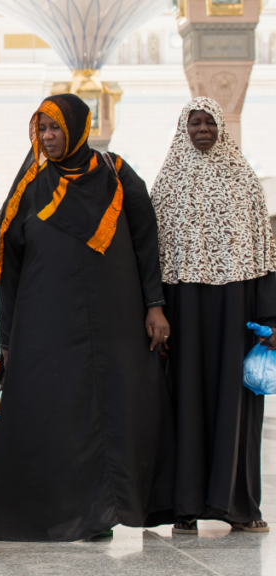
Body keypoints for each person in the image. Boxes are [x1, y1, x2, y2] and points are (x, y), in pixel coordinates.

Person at [0, 93, 174, 542]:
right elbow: (8, 267)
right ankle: (70, 515)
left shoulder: (117, 174)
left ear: (79, 128)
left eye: (56, 128)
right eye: (42, 129)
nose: (48, 138)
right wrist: (8, 338)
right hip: (46, 320)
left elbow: (147, 243)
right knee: (57, 411)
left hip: (116, 317)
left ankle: (111, 507)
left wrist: (155, 305)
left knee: (117, 407)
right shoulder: (30, 185)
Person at [152, 97, 276, 534]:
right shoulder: (167, 183)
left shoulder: (245, 181)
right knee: (184, 401)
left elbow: (264, 255)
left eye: (208, 122)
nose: (201, 129)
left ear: (221, 126)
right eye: (194, 122)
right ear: (183, 128)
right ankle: (183, 505)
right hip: (184, 312)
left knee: (235, 406)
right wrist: (155, 311)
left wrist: (271, 320)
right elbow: (152, 256)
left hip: (236, 313)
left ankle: (237, 506)